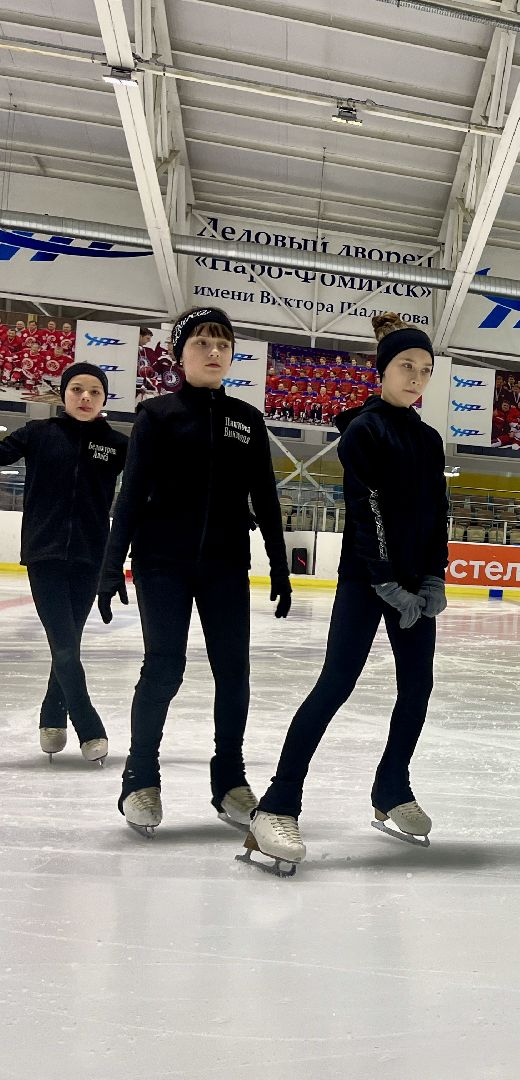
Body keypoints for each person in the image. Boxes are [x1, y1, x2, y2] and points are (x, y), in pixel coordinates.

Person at [242, 314, 447, 875]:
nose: (416, 377)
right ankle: (277, 804)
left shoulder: (429, 440)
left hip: (414, 585)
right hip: (366, 581)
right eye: (407, 366)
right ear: (383, 370)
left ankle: (392, 786)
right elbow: (369, 505)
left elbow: (437, 512)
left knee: (418, 687)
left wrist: (434, 576)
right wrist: (383, 576)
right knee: (336, 683)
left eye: (425, 370)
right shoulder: (364, 430)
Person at [99, 306, 291, 837]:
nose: (214, 352)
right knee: (165, 667)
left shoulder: (247, 419)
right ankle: (140, 776)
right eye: (202, 343)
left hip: (227, 564)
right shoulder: (157, 415)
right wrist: (111, 566)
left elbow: (265, 498)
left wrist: (279, 561)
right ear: (180, 354)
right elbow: (131, 495)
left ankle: (229, 779)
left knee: (234, 671)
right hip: (162, 562)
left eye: (223, 344)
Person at [0, 363, 128, 763]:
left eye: (94, 390)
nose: (85, 397)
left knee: (67, 641)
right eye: (77, 389)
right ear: (64, 394)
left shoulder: (117, 444)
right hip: (45, 553)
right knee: (65, 642)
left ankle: (51, 718)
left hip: (92, 556)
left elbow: (156, 481)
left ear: (105, 398)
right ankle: (88, 725)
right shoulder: (38, 434)